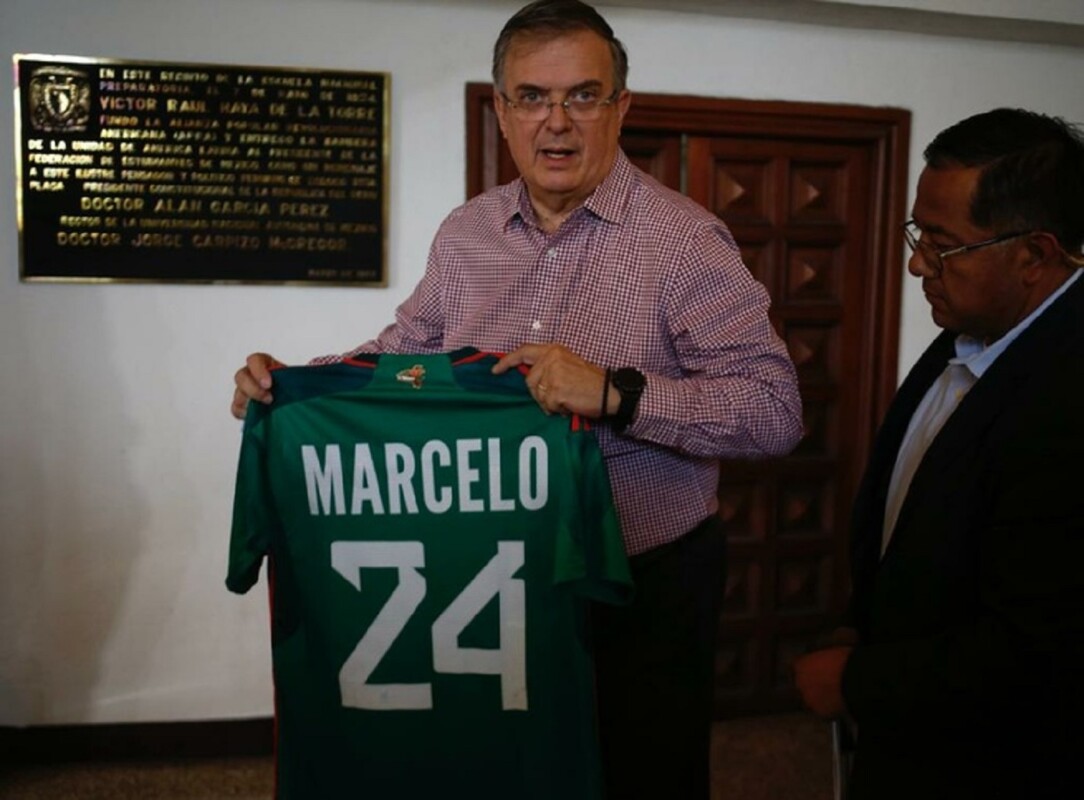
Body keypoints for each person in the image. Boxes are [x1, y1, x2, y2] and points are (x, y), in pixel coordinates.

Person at [233, 1, 802, 796]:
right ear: (502, 111)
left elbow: (774, 411)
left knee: (642, 776)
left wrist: (612, 394)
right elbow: (403, 353)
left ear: (621, 107)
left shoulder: (684, 241)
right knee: (507, 775)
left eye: (583, 96)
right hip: (500, 573)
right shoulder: (466, 233)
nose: (556, 123)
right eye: (532, 97)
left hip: (643, 583)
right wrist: (293, 385)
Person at [793, 107, 1084, 800]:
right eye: (918, 233)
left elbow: (1037, 647)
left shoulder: (1069, 393)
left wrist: (857, 681)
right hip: (908, 740)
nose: (917, 262)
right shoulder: (970, 329)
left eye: (943, 245)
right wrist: (862, 621)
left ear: (1034, 254)